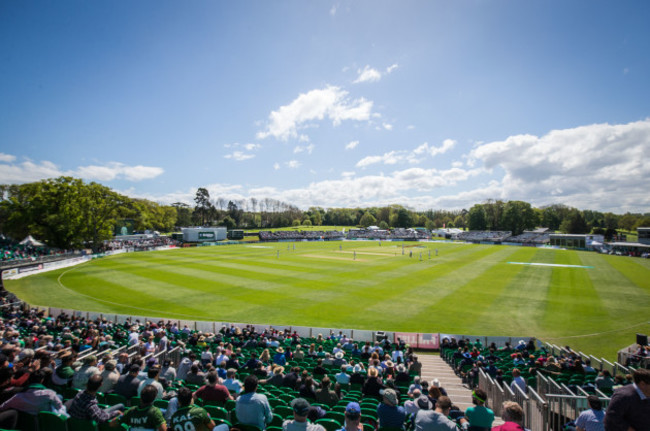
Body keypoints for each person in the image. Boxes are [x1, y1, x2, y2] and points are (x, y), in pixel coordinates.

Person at [0, 369, 65, 415]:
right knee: (60, 397)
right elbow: (59, 406)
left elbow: (3, 407)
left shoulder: (18, 396)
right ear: (42, 381)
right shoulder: (50, 394)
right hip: (41, 423)